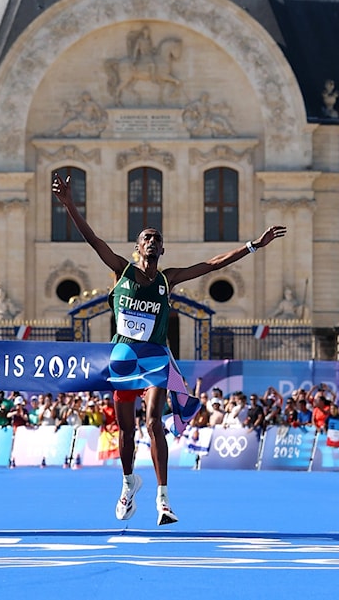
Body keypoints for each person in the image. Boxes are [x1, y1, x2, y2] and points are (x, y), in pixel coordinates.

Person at [52, 171, 286, 526]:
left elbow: (211, 264)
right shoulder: (122, 270)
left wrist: (253, 245)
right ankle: (129, 483)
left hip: (155, 359)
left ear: (163, 249)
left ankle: (164, 500)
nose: (151, 241)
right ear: (137, 246)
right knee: (127, 432)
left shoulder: (168, 278)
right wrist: (69, 204)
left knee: (152, 423)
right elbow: (92, 239)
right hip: (123, 360)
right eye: (146, 237)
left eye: (157, 239)